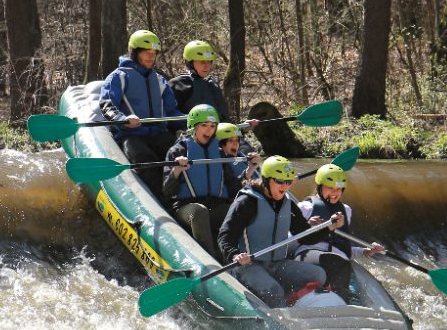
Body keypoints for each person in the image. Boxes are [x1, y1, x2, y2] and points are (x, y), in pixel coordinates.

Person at [217, 156, 341, 308]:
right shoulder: (247, 202)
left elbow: (305, 236)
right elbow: (225, 235)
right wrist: (235, 255)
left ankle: (294, 302)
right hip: (247, 266)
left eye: (288, 181)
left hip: (277, 264)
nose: (284, 186)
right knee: (274, 291)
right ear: (266, 179)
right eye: (280, 181)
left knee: (319, 275)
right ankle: (280, 316)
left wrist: (329, 227)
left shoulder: (288, 204)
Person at [163, 105, 260, 259]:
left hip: (215, 205)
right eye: (204, 125)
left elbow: (234, 188)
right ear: (193, 127)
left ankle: (243, 255)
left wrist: (250, 169)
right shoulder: (178, 151)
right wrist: (177, 170)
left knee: (238, 210)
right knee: (199, 212)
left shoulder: (220, 153)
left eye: (212, 126)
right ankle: (209, 259)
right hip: (185, 207)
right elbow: (168, 192)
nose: (209, 130)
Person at [99, 29, 185, 198]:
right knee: (145, 159)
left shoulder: (159, 80)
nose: (151, 57)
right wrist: (122, 119)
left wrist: (188, 121)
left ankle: (182, 198)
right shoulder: (119, 77)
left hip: (159, 133)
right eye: (147, 53)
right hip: (132, 135)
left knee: (179, 152)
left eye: (154, 53)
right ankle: (159, 201)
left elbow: (171, 110)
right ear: (135, 52)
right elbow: (107, 105)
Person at [293, 164, 384, 303]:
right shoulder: (305, 207)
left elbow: (341, 245)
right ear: (320, 186)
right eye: (330, 188)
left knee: (351, 286)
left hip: (338, 262)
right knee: (336, 264)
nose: (335, 193)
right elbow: (290, 240)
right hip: (309, 257)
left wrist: (364, 251)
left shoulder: (346, 210)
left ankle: (350, 306)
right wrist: (307, 226)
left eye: (339, 189)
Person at [168, 40, 259, 149]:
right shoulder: (179, 85)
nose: (207, 66)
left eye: (209, 62)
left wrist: (242, 127)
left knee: (248, 154)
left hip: (223, 137)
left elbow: (224, 119)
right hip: (198, 140)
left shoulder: (212, 85)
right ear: (190, 62)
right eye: (202, 62)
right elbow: (171, 118)